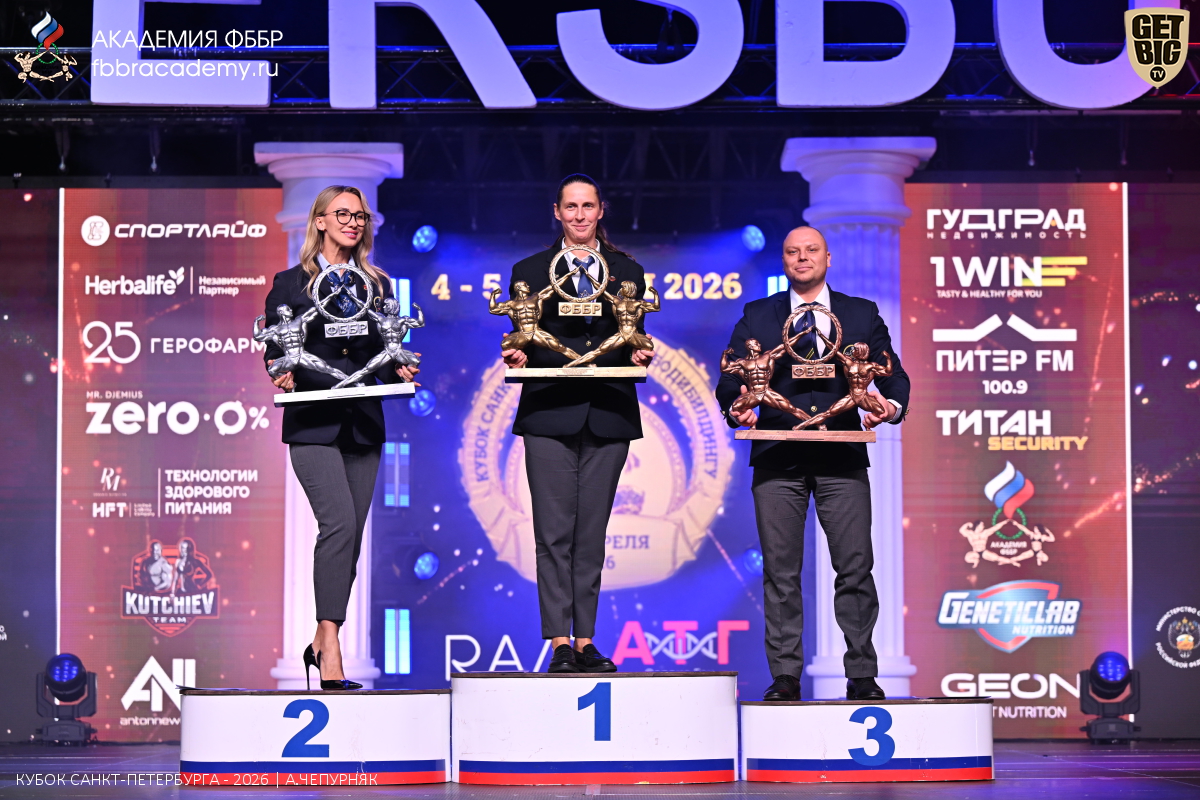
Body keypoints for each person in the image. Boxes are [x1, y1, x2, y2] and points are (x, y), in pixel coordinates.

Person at [714, 225, 910, 702]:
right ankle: (785, 676)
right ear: (783, 261)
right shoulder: (758, 315)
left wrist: (889, 407)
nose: (802, 258)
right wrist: (736, 405)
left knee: (855, 568)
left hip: (841, 456)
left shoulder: (861, 313)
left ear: (828, 258)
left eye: (811, 250)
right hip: (777, 458)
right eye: (792, 252)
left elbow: (894, 376)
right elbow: (729, 377)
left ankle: (862, 673)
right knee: (781, 573)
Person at [260, 185, 419, 691]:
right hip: (312, 423)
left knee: (349, 536)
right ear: (321, 221)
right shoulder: (289, 284)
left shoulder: (379, 284)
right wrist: (280, 371)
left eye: (360, 216)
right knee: (339, 525)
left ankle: (321, 638)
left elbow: (387, 348)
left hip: (363, 423)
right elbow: (275, 351)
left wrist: (400, 366)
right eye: (343, 214)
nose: (353, 222)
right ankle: (330, 648)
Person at [502, 173, 653, 673]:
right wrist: (517, 355)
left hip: (609, 412)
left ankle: (586, 640)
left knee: (591, 534)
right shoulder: (528, 271)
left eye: (588, 206)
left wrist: (642, 352)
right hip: (548, 412)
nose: (580, 215)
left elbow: (636, 339)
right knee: (552, 534)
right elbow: (521, 340)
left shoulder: (629, 272)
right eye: (571, 206)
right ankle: (559, 642)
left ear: (600, 210)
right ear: (557, 212)